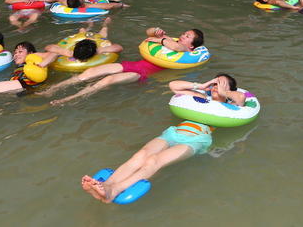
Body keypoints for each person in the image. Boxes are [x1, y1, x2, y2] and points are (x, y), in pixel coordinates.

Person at [80, 74, 245, 204]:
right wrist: (201, 86)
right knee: (140, 155)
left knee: (154, 160)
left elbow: (241, 99)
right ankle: (107, 185)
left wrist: (225, 93)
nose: (217, 86)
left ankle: (113, 191)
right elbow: (173, 86)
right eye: (215, 83)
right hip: (174, 133)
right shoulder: (199, 97)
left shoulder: (230, 106)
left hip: (196, 139)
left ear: (229, 89)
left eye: (221, 84)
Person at [46, 26, 203, 105]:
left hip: (142, 72)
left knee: (107, 81)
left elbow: (176, 48)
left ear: (192, 45)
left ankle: (69, 99)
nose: (183, 35)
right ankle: (53, 89)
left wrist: (160, 40)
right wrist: (155, 31)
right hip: (134, 64)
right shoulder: (171, 39)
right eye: (184, 33)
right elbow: (148, 32)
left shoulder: (185, 50)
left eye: (187, 36)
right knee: (90, 71)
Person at [43, 17, 123, 63]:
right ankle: (99, 25)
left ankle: (100, 25)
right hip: (91, 46)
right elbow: (119, 47)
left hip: (93, 43)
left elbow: (47, 47)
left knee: (93, 34)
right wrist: (101, 50)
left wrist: (57, 48)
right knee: (97, 33)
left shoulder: (69, 53)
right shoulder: (98, 51)